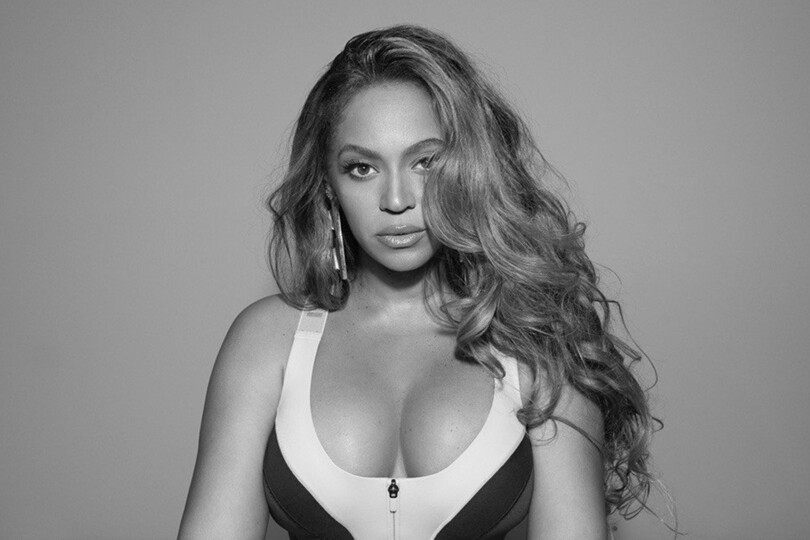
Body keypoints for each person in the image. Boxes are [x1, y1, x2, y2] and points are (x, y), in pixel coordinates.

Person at [179, 25, 658, 540]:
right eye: (361, 168)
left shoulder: (538, 341)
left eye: (426, 162)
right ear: (328, 184)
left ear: (469, 168)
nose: (396, 199)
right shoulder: (267, 342)